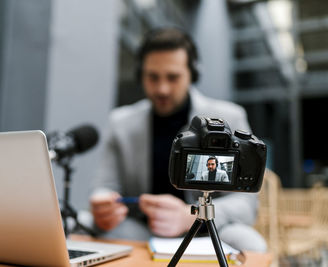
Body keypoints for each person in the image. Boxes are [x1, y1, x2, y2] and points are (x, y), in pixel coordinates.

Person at [90, 27, 266, 252]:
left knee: (251, 245)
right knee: (87, 224)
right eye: (153, 77)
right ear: (140, 75)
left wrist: (191, 216)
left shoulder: (230, 117)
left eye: (172, 77)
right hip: (142, 230)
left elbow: (246, 204)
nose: (162, 88)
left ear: (192, 75)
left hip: (208, 228)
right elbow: (104, 186)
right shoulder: (120, 122)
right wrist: (104, 206)